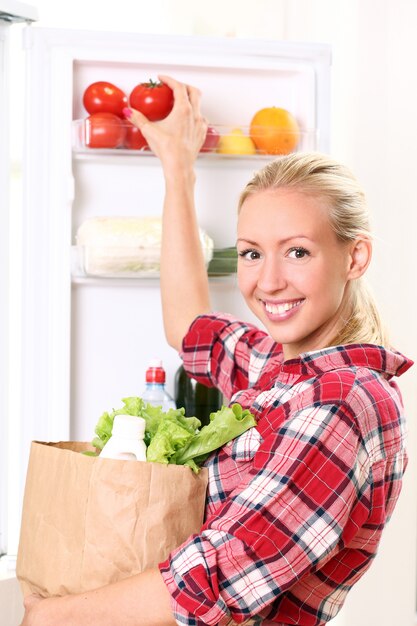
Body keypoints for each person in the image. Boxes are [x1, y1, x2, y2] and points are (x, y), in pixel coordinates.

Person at [21, 76, 413, 626]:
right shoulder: (282, 370)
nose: (269, 281)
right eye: (252, 254)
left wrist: (52, 617)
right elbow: (189, 327)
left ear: (355, 257)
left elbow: (220, 575)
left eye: (297, 251)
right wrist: (177, 167)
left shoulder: (341, 403)